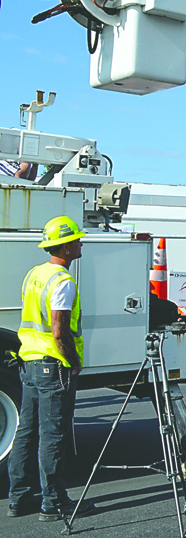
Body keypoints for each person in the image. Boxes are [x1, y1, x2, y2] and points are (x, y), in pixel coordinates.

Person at [7, 216, 97, 522]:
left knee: (26, 431)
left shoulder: (36, 273)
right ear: (68, 248)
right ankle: (54, 502)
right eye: (77, 240)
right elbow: (59, 329)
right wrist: (73, 362)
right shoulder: (63, 281)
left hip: (29, 360)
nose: (81, 243)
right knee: (53, 434)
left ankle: (18, 497)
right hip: (52, 363)